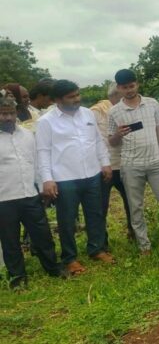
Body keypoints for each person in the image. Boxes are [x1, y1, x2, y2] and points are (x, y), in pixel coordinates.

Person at [109, 69, 159, 255]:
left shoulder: (152, 104)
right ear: (119, 88)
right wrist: (117, 134)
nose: (129, 90)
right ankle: (144, 246)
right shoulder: (114, 111)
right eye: (124, 87)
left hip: (155, 162)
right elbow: (111, 141)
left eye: (132, 86)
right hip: (131, 165)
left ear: (137, 84)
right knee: (135, 206)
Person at [36, 80, 114, 275]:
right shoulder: (46, 121)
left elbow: (97, 140)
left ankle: (96, 249)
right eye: (71, 97)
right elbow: (43, 151)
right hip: (64, 177)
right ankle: (70, 258)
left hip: (92, 173)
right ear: (57, 100)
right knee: (67, 219)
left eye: (77, 95)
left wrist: (104, 163)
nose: (77, 99)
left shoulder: (87, 114)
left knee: (95, 213)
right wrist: (47, 179)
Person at [0, 95, 69, 289]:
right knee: (10, 240)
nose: (7, 118)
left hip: (30, 195)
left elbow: (37, 164)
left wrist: (42, 188)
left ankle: (54, 268)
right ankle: (18, 278)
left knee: (42, 235)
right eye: (3, 114)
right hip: (4, 199)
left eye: (11, 113)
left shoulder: (27, 135)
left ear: (16, 114)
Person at [91, 82, 132, 240]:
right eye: (123, 94)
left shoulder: (128, 109)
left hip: (124, 163)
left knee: (131, 201)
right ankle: (101, 240)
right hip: (104, 167)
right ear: (114, 95)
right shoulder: (97, 111)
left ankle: (133, 231)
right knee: (101, 205)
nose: (127, 97)